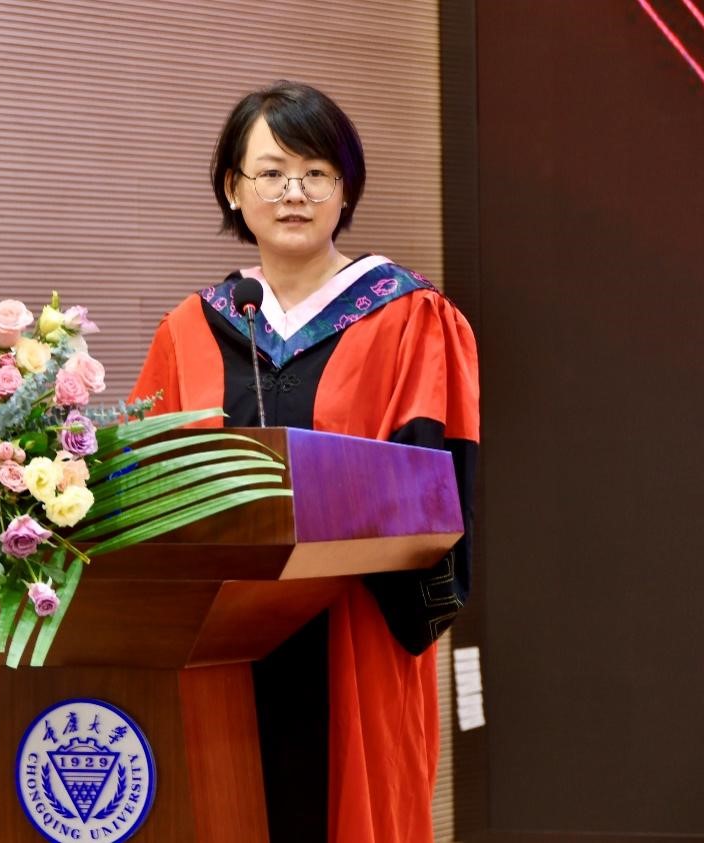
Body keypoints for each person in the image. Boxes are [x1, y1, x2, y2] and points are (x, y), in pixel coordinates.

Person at [129, 81, 480, 843]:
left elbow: (435, 492)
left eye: (316, 172)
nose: (293, 192)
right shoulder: (189, 328)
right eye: (271, 172)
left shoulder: (407, 316)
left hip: (353, 630)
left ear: (345, 188)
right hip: (215, 643)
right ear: (233, 188)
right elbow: (148, 489)